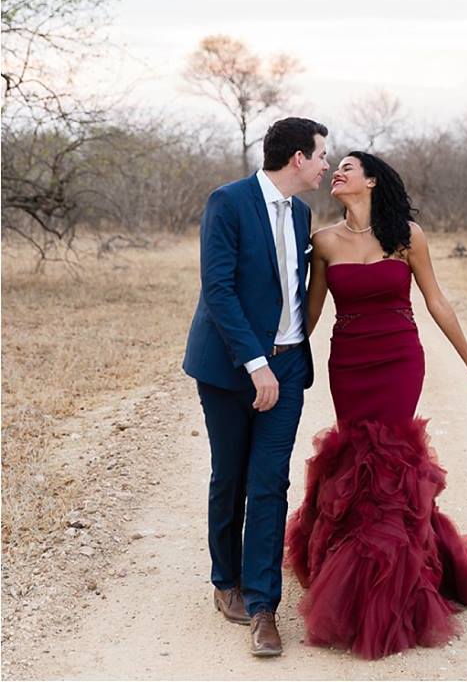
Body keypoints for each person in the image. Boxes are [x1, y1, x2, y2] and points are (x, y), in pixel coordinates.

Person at [285, 151, 467, 660]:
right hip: (348, 362)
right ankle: (354, 579)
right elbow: (309, 314)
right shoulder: (322, 241)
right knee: (355, 460)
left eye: (348, 166)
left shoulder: (407, 236)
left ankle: (397, 583)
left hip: (398, 359)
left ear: (371, 180)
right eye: (335, 166)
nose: (337, 173)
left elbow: (436, 301)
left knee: (390, 461)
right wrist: (276, 360)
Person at [183, 117, 329, 657]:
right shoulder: (229, 201)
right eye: (320, 155)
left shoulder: (303, 213)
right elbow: (218, 289)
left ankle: (264, 606)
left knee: (269, 481)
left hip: (288, 369)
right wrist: (254, 361)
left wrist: (280, 358)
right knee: (231, 477)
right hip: (228, 368)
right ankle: (227, 583)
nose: (324, 164)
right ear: (296, 157)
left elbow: (292, 293)